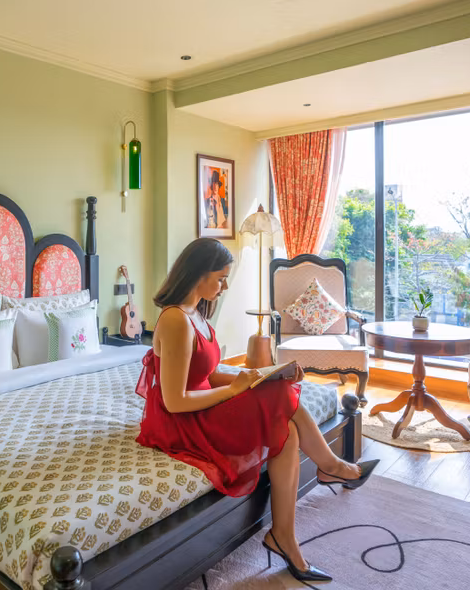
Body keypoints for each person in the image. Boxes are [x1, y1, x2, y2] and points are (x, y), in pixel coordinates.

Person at [135, 239, 378, 584]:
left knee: (284, 424)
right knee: (279, 399)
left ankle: (284, 534)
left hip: (203, 404)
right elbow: (175, 401)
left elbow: (205, 375)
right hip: (183, 420)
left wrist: (258, 376)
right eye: (220, 278)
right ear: (199, 274)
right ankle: (332, 468)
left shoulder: (196, 313)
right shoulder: (175, 320)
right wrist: (236, 389)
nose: (224, 286)